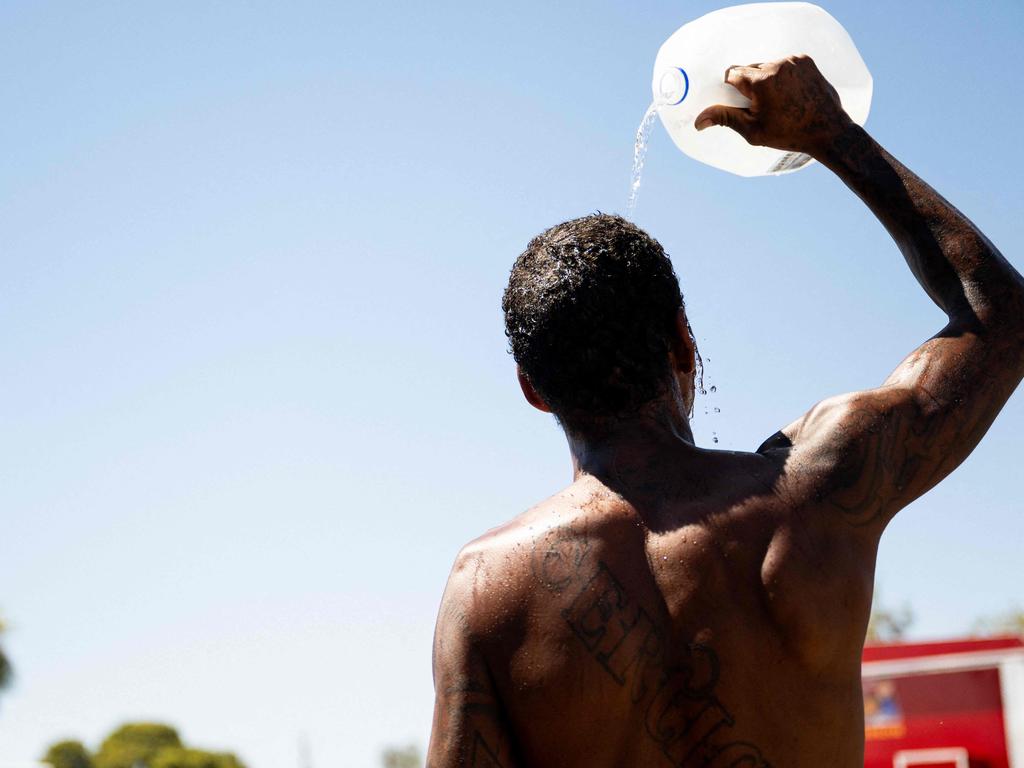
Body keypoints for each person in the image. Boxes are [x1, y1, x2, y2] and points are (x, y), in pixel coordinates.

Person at [426, 56, 1024, 768]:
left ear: (534, 389)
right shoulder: (814, 493)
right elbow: (1001, 318)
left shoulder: (487, 591)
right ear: (684, 342)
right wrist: (830, 134)